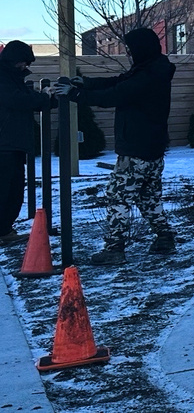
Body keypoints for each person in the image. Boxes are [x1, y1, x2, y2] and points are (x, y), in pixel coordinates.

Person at [53, 28, 177, 264]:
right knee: (147, 197)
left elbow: (115, 95)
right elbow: (119, 82)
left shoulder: (148, 75)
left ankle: (114, 249)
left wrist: (75, 94)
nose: (130, 53)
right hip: (152, 147)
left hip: (136, 149)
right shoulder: (151, 69)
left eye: (131, 49)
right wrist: (87, 83)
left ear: (141, 48)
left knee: (117, 197)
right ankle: (165, 238)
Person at [0, 41, 56, 245]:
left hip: (11, 143)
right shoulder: (4, 79)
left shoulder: (11, 77)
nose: (25, 67)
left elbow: (23, 97)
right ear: (13, 61)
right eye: (23, 63)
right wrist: (43, 98)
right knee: (7, 190)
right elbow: (18, 100)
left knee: (14, 190)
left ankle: (4, 229)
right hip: (5, 144)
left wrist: (46, 99)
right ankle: (3, 230)